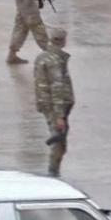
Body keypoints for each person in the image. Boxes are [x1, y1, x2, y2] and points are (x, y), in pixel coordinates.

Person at [34, 26, 74, 177]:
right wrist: (59, 116)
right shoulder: (55, 61)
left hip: (48, 105)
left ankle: (54, 170)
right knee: (59, 142)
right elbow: (57, 88)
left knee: (59, 139)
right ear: (62, 41)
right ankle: (53, 172)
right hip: (56, 107)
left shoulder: (42, 57)